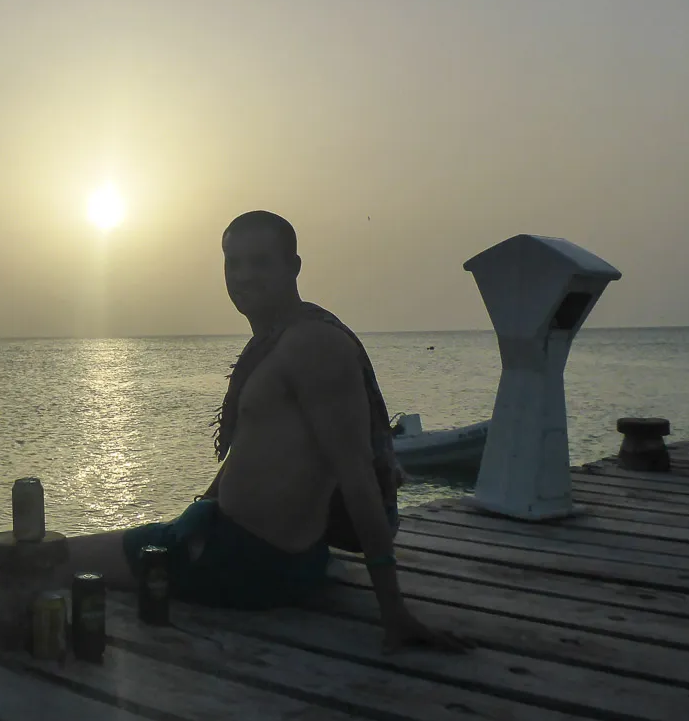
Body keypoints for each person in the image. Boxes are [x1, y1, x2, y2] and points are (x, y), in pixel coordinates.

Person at [55, 210, 469, 654]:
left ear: (293, 267)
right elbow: (256, 451)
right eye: (233, 263)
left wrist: (393, 611)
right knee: (78, 554)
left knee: (38, 559)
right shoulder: (275, 341)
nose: (244, 276)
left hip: (246, 564)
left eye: (260, 262)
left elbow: (356, 474)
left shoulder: (313, 345)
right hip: (243, 547)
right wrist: (198, 513)